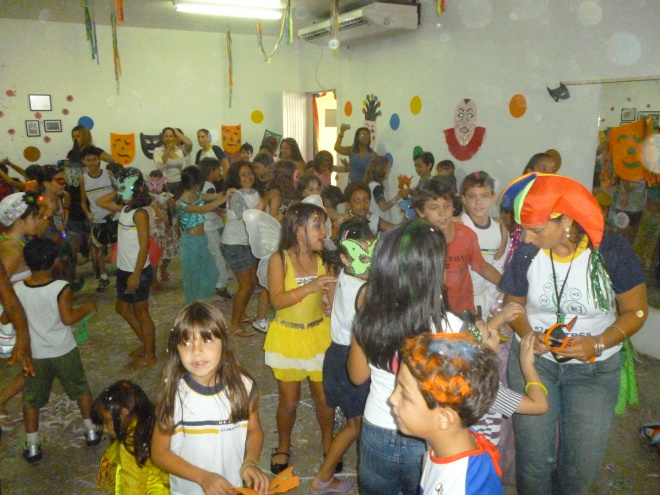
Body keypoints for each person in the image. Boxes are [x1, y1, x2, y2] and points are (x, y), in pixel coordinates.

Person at [498, 173, 647, 495]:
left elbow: (636, 311)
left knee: (581, 466)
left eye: (536, 231)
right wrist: (528, 335)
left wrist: (598, 342)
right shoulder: (527, 252)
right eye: (525, 230)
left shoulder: (610, 250)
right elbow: (514, 304)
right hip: (533, 366)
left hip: (595, 371)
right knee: (533, 462)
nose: (525, 240)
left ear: (565, 221)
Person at [348, 219, 464, 495]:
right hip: (426, 433)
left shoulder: (368, 319)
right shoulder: (451, 327)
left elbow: (357, 376)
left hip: (377, 426)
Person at [151, 301, 269, 495]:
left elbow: (254, 431)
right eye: (186, 343)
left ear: (224, 342)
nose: (196, 352)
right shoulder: (174, 395)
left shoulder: (243, 387)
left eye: (206, 340)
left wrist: (250, 462)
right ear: (176, 350)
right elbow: (159, 453)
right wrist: (203, 477)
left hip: (233, 488)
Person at [263, 203, 337, 475]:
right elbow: (278, 300)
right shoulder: (279, 260)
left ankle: (329, 442)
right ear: (297, 230)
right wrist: (310, 287)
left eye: (324, 224)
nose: (324, 230)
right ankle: (283, 444)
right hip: (289, 337)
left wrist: (329, 301)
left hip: (318, 334)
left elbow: (328, 296)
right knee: (289, 401)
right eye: (317, 225)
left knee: (324, 400)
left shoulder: (325, 260)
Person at [14, 237, 98, 462]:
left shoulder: (18, 289)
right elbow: (67, 318)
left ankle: (32, 444)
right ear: (54, 261)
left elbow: (8, 315)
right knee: (80, 389)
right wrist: (87, 308)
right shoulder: (61, 287)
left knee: (31, 400)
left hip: (37, 355)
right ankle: (90, 429)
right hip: (63, 350)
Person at [389, 332, 503, 495]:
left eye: (405, 394)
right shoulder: (446, 442)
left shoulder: (464, 487)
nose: (392, 398)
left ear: (443, 418)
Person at [312, 218, 374, 495]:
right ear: (344, 258)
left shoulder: (348, 277)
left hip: (338, 355)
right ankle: (324, 477)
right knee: (356, 424)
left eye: (371, 252)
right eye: (361, 255)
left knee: (356, 422)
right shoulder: (362, 289)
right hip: (350, 358)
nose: (369, 260)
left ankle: (326, 476)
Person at [97, 168, 157, 370]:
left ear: (139, 188)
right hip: (125, 268)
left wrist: (137, 274)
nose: (123, 193)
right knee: (122, 307)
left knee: (141, 312)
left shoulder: (139, 214)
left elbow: (144, 246)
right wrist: (120, 191)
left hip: (136, 270)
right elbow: (100, 202)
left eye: (128, 188)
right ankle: (146, 343)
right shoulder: (125, 209)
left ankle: (150, 354)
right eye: (120, 187)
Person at [413, 177, 501, 315]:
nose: (442, 213)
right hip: (432, 314)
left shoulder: (466, 234)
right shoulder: (417, 243)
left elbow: (481, 265)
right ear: (421, 211)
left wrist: (507, 286)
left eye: (447, 206)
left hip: (465, 312)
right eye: (434, 208)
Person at [0, 192, 47, 428]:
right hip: (14, 316)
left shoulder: (15, 243)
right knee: (33, 361)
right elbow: (3, 287)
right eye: (34, 218)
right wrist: (10, 321)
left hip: (23, 312)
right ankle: (1, 400)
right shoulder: (12, 249)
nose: (38, 221)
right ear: (19, 221)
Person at [92, 380, 169, 495]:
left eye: (106, 421)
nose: (104, 429)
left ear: (123, 414)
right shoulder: (153, 420)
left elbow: (132, 484)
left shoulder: (131, 443)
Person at [220, 161, 266, 336]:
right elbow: (250, 217)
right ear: (236, 178)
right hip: (234, 245)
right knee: (246, 285)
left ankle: (241, 313)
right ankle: (234, 323)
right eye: (243, 175)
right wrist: (267, 198)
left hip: (246, 243)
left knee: (252, 282)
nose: (248, 177)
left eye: (250, 173)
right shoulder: (236, 196)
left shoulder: (253, 192)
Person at [175, 166, 232, 304]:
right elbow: (203, 209)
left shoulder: (198, 195)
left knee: (211, 272)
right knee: (192, 276)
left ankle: (200, 301)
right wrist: (225, 198)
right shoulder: (180, 202)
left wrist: (228, 190)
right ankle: (193, 305)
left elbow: (215, 196)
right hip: (190, 242)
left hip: (201, 239)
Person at [65, 125, 114, 276]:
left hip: (97, 201)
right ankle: (77, 270)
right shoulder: (70, 154)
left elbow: (111, 160)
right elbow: (66, 170)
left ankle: (100, 272)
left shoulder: (96, 151)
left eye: (78, 136)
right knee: (78, 240)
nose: (76, 139)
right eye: (73, 136)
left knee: (96, 240)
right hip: (77, 199)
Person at [460, 171, 508, 317]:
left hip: (487, 299)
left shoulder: (500, 229)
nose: (478, 202)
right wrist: (510, 287)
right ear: (463, 198)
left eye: (484, 196)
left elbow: (499, 264)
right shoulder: (458, 227)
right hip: (461, 299)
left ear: (493, 197)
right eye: (472, 196)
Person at [80, 147, 116, 293]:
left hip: (114, 216)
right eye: (88, 160)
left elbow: (118, 190)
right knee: (99, 249)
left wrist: (115, 207)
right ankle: (103, 276)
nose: (92, 163)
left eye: (94, 159)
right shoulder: (83, 179)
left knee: (119, 246)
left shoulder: (108, 174)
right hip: (97, 218)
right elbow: (83, 201)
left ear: (99, 160)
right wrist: (87, 213)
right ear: (83, 161)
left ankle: (126, 273)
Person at [199, 158, 233, 300]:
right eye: (218, 169)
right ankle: (220, 285)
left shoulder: (203, 185)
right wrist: (219, 209)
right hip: (209, 226)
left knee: (214, 255)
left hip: (208, 225)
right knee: (218, 255)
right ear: (211, 171)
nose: (220, 172)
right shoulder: (209, 187)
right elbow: (207, 205)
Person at [146, 169, 178, 289]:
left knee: (169, 252)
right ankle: (153, 279)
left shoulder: (167, 196)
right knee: (154, 255)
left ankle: (163, 268)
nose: (154, 186)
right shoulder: (146, 197)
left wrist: (171, 204)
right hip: (152, 228)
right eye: (151, 182)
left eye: (158, 183)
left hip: (165, 227)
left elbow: (174, 210)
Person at [365, 155, 409, 222]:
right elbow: (383, 207)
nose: (390, 170)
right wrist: (399, 196)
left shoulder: (370, 184)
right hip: (378, 224)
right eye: (388, 167)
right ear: (381, 169)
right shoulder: (377, 187)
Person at [153, 127, 187, 199]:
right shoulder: (157, 151)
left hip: (179, 183)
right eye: (166, 136)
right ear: (162, 138)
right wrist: (167, 150)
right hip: (166, 184)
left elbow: (184, 167)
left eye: (171, 136)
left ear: (174, 138)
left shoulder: (179, 151)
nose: (169, 138)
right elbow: (159, 168)